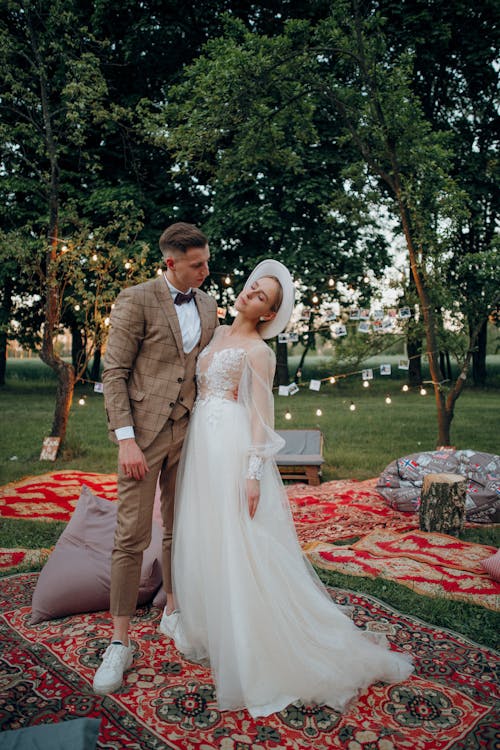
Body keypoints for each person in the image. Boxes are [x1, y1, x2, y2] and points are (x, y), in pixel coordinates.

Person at [169, 259, 414, 717]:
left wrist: (253, 472)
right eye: (250, 288)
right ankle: (210, 622)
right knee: (204, 529)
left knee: (237, 537)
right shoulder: (216, 332)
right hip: (201, 439)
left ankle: (251, 638)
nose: (249, 295)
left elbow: (263, 418)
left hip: (231, 444)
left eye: (260, 296)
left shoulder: (260, 351)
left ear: (267, 313)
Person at [93, 222, 219, 695]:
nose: (206, 271)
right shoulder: (137, 298)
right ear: (170, 263)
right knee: (131, 535)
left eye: (206, 261)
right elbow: (115, 371)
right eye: (197, 265)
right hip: (142, 437)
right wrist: (125, 439)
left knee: (180, 527)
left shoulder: (207, 304)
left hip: (191, 433)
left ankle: (173, 611)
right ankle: (119, 642)